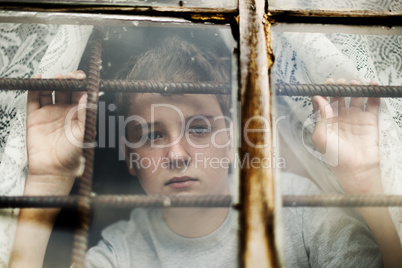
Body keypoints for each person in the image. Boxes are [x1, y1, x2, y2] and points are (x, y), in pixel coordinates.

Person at [7, 37, 401, 267]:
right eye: (151, 135)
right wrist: (46, 180)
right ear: (129, 157)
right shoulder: (122, 251)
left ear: (231, 141)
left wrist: (365, 179)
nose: (176, 154)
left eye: (198, 128)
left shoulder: (298, 211)